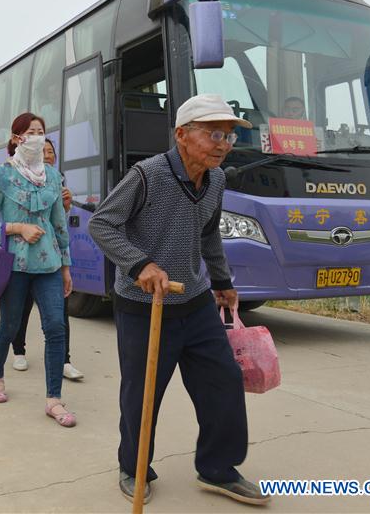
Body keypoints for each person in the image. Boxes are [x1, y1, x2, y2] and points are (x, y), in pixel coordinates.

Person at [88, 93, 266, 505]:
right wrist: (140, 265)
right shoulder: (146, 175)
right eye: (214, 134)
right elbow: (103, 225)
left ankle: (218, 468)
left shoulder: (216, 178)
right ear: (182, 135)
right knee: (143, 391)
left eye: (229, 136)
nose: (223, 144)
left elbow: (208, 233)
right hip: (143, 304)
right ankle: (133, 467)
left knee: (222, 381)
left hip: (197, 300)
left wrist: (221, 279)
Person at [0, 112, 75, 427]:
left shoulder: (53, 178)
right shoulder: (0, 177)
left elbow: (60, 225)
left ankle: (54, 400)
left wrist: (66, 267)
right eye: (30, 132)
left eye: (41, 132)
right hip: (13, 266)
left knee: (56, 328)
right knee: (9, 326)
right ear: (17, 137)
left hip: (48, 265)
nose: (36, 137)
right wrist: (17, 227)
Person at [11, 139, 84, 381]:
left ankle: (64, 360)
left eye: (51, 152)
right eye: (43, 151)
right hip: (25, 258)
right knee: (21, 308)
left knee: (58, 315)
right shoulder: (20, 181)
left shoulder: (57, 181)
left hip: (52, 257)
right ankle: (18, 351)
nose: (48, 155)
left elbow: (58, 225)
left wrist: (65, 206)